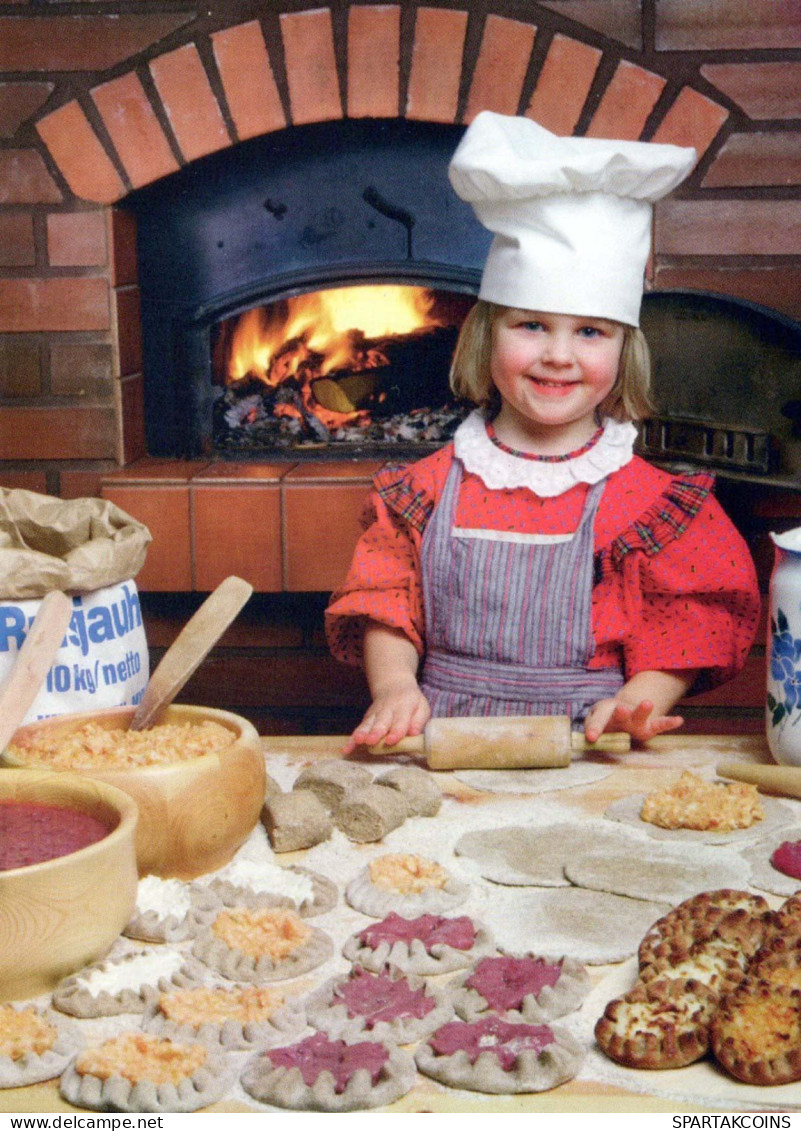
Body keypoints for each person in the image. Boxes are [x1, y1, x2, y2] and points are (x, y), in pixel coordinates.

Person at [325, 112, 760, 754]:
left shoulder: (650, 505)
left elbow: (686, 625)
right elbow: (387, 602)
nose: (558, 355)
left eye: (590, 332)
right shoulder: (425, 491)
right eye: (530, 325)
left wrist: (637, 703)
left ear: (623, 351)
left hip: (586, 754)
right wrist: (394, 688)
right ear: (484, 335)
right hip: (444, 746)